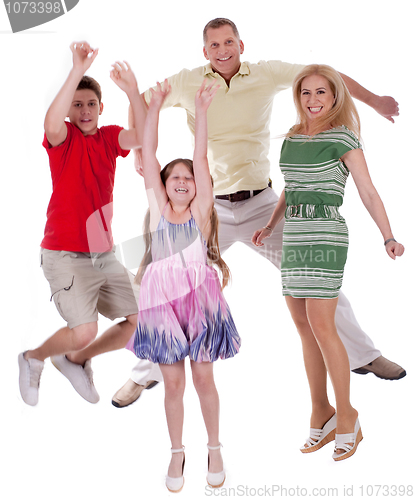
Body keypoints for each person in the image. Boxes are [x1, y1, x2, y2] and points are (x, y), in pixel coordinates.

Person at [112, 18, 405, 408]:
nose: (222, 50)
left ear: (241, 44)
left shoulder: (265, 74)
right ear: (205, 51)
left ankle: (364, 357)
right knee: (168, 283)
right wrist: (136, 152)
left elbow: (328, 76)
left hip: (263, 205)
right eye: (214, 45)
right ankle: (142, 374)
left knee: (317, 279)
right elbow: (140, 104)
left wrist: (375, 102)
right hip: (209, 208)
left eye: (228, 41)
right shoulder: (188, 81)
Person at [252, 64, 404, 460]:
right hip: (295, 236)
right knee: (303, 326)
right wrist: (270, 224)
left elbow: (369, 192)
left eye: (322, 92)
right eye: (306, 93)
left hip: (326, 234)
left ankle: (349, 414)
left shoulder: (344, 137)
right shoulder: (291, 138)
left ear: (335, 96)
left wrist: (388, 236)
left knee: (323, 324)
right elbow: (291, 185)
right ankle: (322, 412)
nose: (314, 100)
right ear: (297, 97)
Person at [126, 79, 240, 491]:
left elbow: (200, 156)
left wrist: (202, 110)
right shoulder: (157, 206)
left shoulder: (202, 210)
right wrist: (155, 104)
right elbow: (150, 151)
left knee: (204, 378)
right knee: (172, 382)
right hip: (160, 299)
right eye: (172, 177)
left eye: (187, 178)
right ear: (163, 182)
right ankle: (177, 451)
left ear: (196, 187)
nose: (180, 181)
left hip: (199, 297)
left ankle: (214, 446)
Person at [18, 42, 147, 406]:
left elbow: (143, 138)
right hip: (63, 254)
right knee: (83, 331)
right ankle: (33, 357)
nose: (85, 110)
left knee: (144, 319)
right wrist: (77, 69)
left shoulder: (108, 138)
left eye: (91, 104)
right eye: (78, 105)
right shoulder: (62, 138)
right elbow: (50, 121)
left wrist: (133, 91)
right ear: (69, 112)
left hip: (102, 255)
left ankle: (74, 360)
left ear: (101, 108)